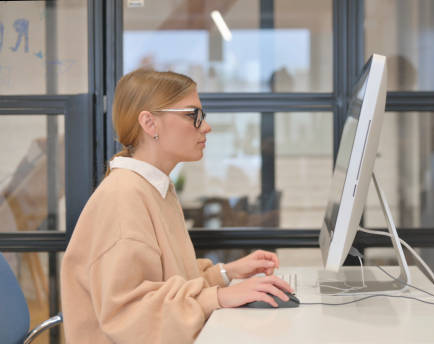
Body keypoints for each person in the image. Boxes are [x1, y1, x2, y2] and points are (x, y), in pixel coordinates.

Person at [61, 69, 293, 343]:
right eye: (192, 115)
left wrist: (225, 273)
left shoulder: (154, 188)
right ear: (149, 123)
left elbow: (169, 279)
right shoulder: (123, 197)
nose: (205, 126)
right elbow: (127, 312)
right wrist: (218, 297)